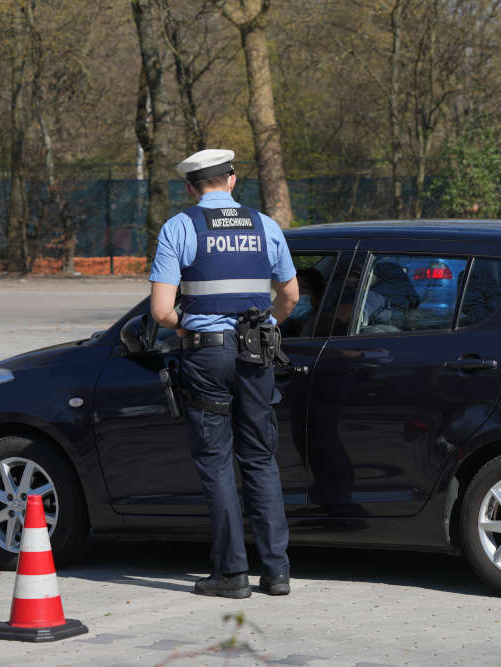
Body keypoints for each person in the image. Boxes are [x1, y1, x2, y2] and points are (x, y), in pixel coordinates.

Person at [149, 148, 299, 597]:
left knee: (216, 462)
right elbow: (290, 296)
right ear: (232, 180)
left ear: (192, 188)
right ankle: (277, 573)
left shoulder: (180, 227)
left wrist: (191, 326)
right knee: (260, 458)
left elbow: (159, 311)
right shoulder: (265, 226)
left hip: (206, 358)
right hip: (257, 355)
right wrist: (264, 324)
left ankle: (231, 575)